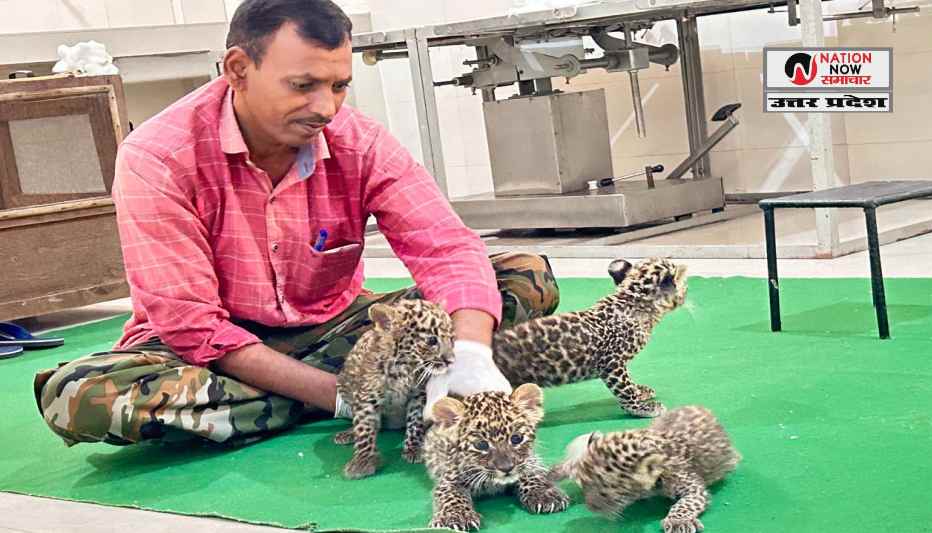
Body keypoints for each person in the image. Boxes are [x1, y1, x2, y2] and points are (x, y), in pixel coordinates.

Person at [33, 0, 559, 447]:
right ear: (238, 70)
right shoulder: (159, 156)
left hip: (334, 331)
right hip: (203, 352)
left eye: (339, 86)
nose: (326, 107)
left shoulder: (361, 141)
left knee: (522, 275)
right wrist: (345, 397)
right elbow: (192, 325)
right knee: (78, 394)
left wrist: (468, 351)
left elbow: (446, 249)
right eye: (303, 85)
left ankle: (338, 397)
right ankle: (376, 397)